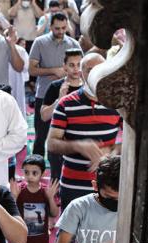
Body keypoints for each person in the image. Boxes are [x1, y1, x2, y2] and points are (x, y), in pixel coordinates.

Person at [47, 52, 121, 211]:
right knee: (70, 233)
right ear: (81, 73)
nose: (94, 73)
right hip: (73, 183)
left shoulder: (116, 103)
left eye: (99, 68)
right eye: (89, 69)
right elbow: (52, 144)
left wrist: (113, 150)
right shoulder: (66, 103)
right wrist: (78, 146)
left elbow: (132, 139)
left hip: (107, 186)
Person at [53, 155, 120, 243]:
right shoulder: (79, 207)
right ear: (95, 186)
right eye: (109, 197)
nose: (116, 202)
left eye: (120, 198)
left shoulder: (131, 208)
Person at [29, 12, 80, 157]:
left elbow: (80, 69)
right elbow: (31, 70)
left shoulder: (73, 44)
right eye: (57, 28)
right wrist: (53, 71)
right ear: (50, 26)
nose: (61, 31)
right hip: (44, 93)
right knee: (41, 136)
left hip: (68, 95)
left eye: (64, 28)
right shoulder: (39, 42)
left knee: (65, 136)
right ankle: (36, 169)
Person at [9, 154, 60, 243]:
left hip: (39, 241)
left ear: (43, 174)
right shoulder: (19, 190)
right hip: (20, 238)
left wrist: (51, 198)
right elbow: (11, 214)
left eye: (34, 173)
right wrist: (14, 198)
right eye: (26, 172)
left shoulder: (46, 191)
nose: (30, 176)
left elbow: (54, 213)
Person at [41, 48, 83, 180]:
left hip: (80, 142)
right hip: (58, 143)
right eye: (71, 65)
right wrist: (59, 100)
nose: (76, 69)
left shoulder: (88, 88)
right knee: (56, 180)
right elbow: (44, 116)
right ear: (64, 66)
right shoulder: (55, 86)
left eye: (79, 65)